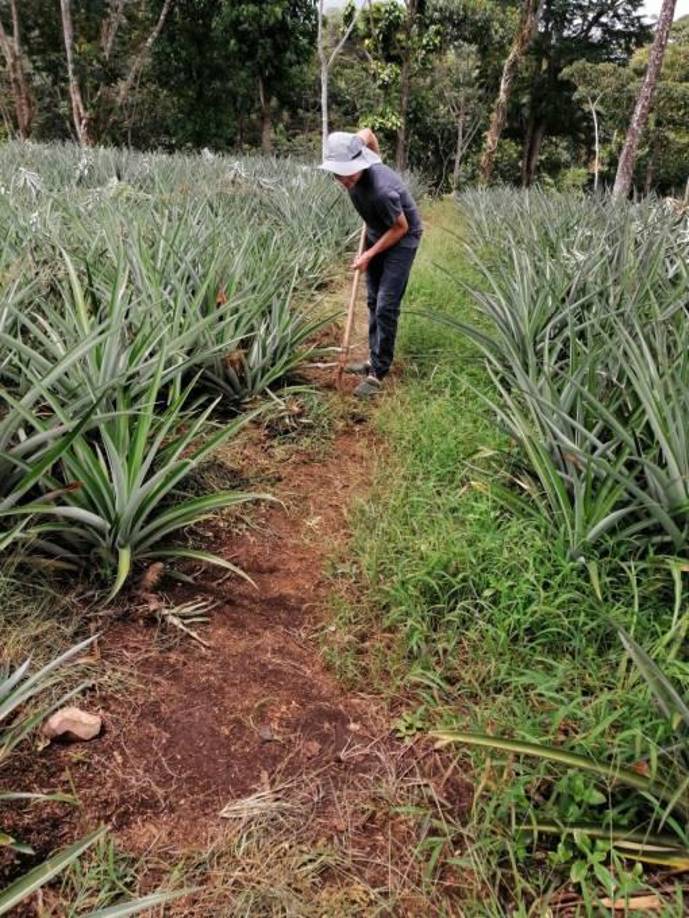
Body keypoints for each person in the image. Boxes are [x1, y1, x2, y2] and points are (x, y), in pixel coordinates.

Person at [319, 129, 422, 398]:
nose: (344, 180)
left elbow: (401, 228)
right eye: (339, 174)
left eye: (348, 173)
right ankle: (372, 359)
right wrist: (360, 142)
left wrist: (368, 254)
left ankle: (378, 372)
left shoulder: (382, 191)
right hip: (378, 231)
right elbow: (368, 132)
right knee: (373, 300)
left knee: (386, 304)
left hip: (402, 238)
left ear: (358, 164)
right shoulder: (360, 166)